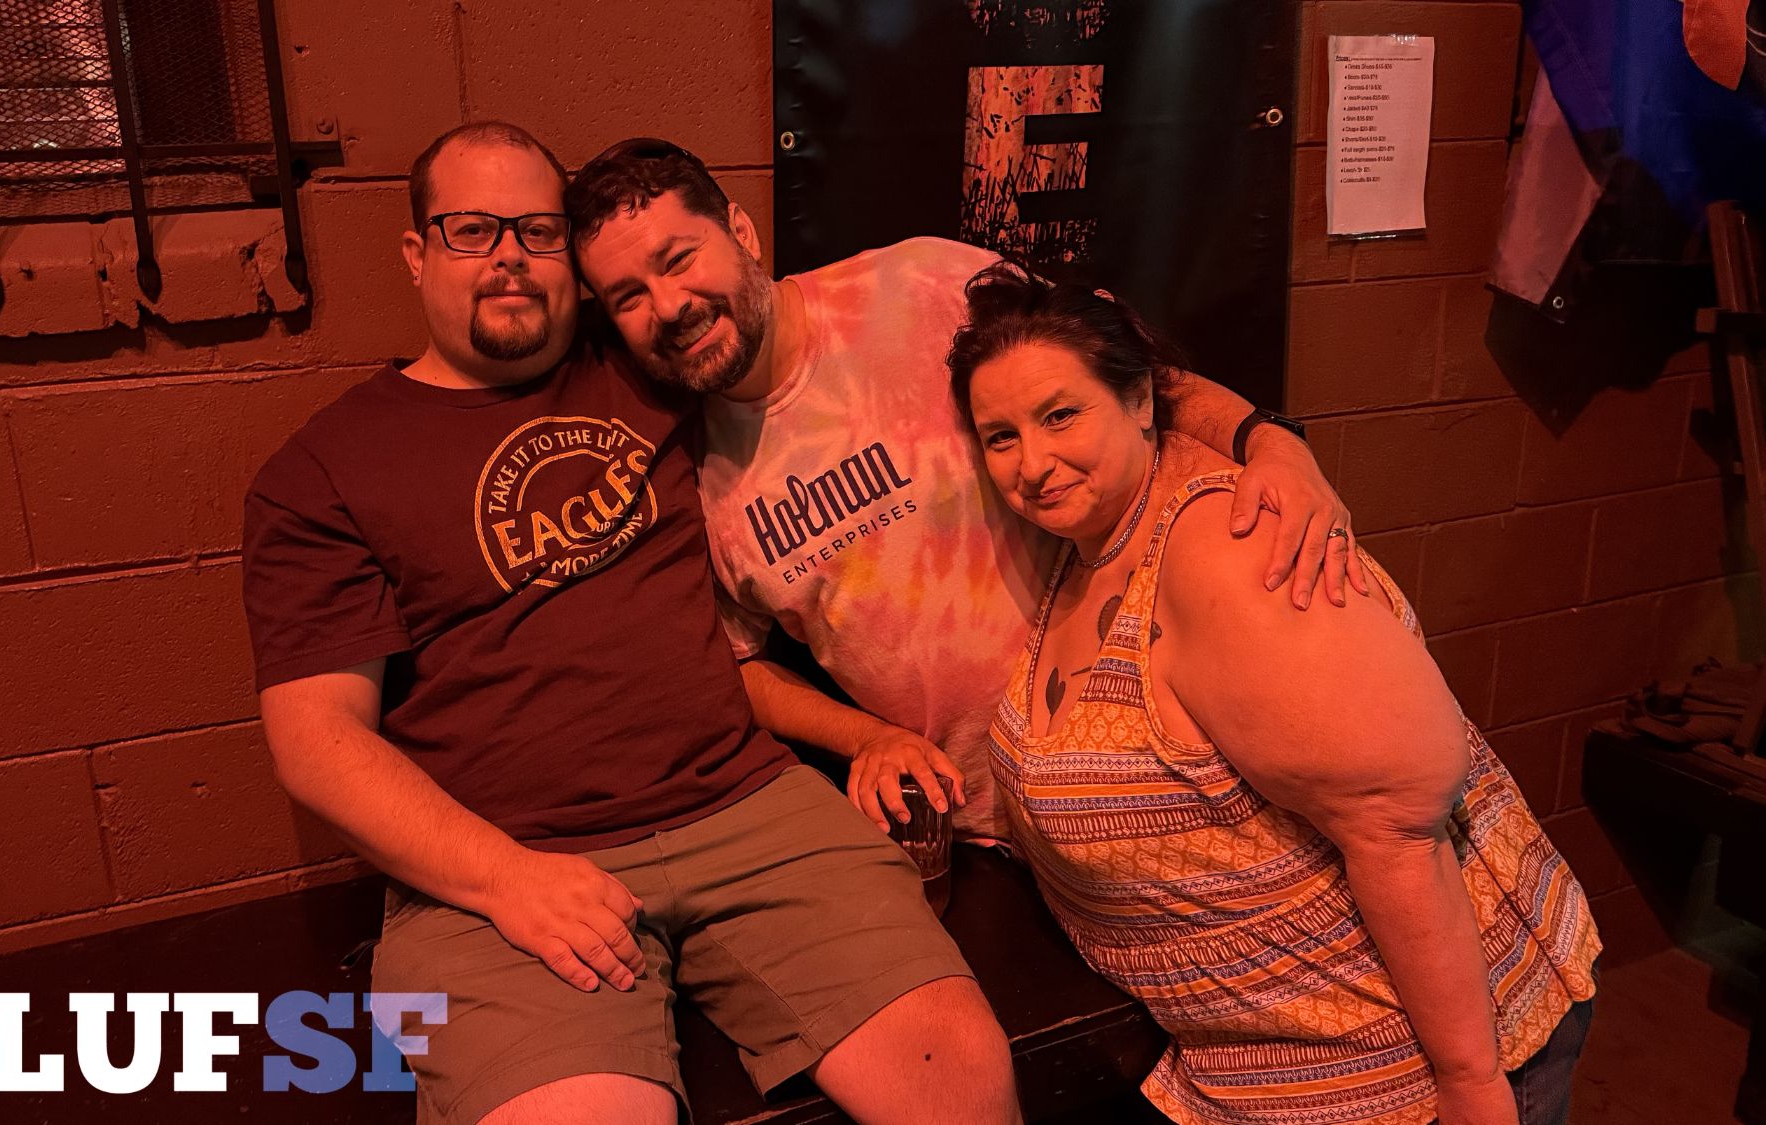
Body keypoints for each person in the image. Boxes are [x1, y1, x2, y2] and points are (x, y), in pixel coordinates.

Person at [241, 121, 1021, 1125]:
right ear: (416, 251)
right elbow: (314, 742)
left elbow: (787, 334)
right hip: (501, 859)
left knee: (960, 1079)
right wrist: (505, 879)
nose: (509, 257)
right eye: (472, 229)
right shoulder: (324, 470)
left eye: (536, 230)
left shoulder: (651, 363)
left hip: (747, 806)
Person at [945, 261, 1601, 1125]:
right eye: (1000, 436)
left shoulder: (1221, 549)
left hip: (1404, 1074)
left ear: (1139, 401)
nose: (1032, 463)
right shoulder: (1088, 547)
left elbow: (1395, 825)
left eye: (1060, 415)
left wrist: (1470, 1083)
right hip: (1258, 1072)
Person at [568, 138, 1364, 843]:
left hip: (1185, 748)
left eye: (678, 259)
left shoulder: (921, 283)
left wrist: (1271, 442)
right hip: (996, 825)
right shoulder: (681, 468)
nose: (667, 306)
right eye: (627, 296)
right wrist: (864, 737)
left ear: (740, 232)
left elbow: (1131, 376)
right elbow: (736, 662)